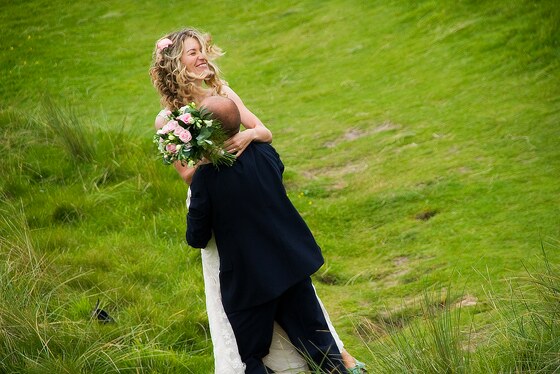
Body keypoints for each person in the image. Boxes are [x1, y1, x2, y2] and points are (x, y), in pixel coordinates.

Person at [150, 27, 366, 373]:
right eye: (192, 52)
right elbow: (187, 175)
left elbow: (265, 132)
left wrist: (248, 135)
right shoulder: (168, 120)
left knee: (283, 278)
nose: (202, 55)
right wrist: (211, 157)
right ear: (175, 64)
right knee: (244, 289)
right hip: (220, 210)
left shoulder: (224, 93)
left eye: (201, 49)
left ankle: (329, 355)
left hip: (251, 193)